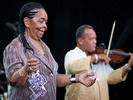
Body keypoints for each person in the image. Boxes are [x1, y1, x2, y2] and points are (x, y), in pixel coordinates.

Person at [3, 2, 96, 100]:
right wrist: (25, 70)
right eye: (41, 21)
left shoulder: (44, 47)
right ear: (27, 22)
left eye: (45, 22)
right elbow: (13, 81)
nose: (45, 26)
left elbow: (53, 78)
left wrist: (77, 78)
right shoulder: (14, 47)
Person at [64, 24, 133, 100]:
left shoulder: (100, 58)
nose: (95, 41)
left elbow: (111, 78)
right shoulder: (72, 54)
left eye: (95, 38)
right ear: (80, 41)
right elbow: (72, 66)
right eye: (91, 39)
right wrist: (96, 57)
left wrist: (128, 66)